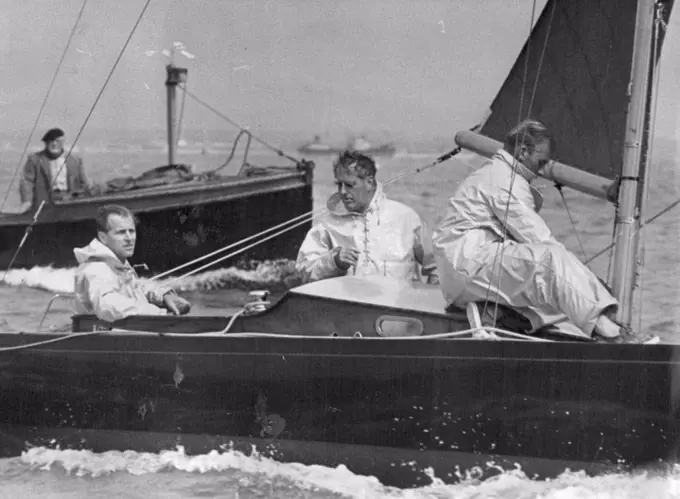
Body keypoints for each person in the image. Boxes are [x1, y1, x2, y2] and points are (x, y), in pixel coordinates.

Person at [432, 119, 626, 341]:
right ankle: (610, 334)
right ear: (523, 152)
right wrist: (590, 282)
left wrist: (585, 283)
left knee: (561, 292)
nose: (543, 171)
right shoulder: (505, 179)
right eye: (541, 162)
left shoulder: (496, 173)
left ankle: (494, 313)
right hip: (470, 266)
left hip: (462, 273)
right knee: (552, 262)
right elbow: (540, 240)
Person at [295, 150, 439, 284]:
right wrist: (334, 261)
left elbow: (438, 267)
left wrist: (427, 298)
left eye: (350, 185)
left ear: (369, 182)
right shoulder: (328, 224)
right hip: (349, 308)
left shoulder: (406, 217)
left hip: (399, 307)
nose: (343, 192)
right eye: (339, 184)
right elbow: (303, 271)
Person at [73, 204, 191, 322]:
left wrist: (164, 296)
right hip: (99, 336)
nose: (129, 238)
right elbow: (108, 306)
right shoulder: (96, 268)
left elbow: (137, 289)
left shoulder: (117, 263)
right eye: (121, 232)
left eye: (132, 231)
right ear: (103, 237)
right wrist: (157, 313)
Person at [18, 128, 91, 212]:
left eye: (57, 141)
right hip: (45, 202)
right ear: (46, 143)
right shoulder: (35, 159)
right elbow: (27, 181)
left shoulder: (75, 160)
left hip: (69, 200)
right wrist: (27, 201)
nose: (54, 144)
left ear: (62, 142)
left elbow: (84, 183)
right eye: (50, 142)